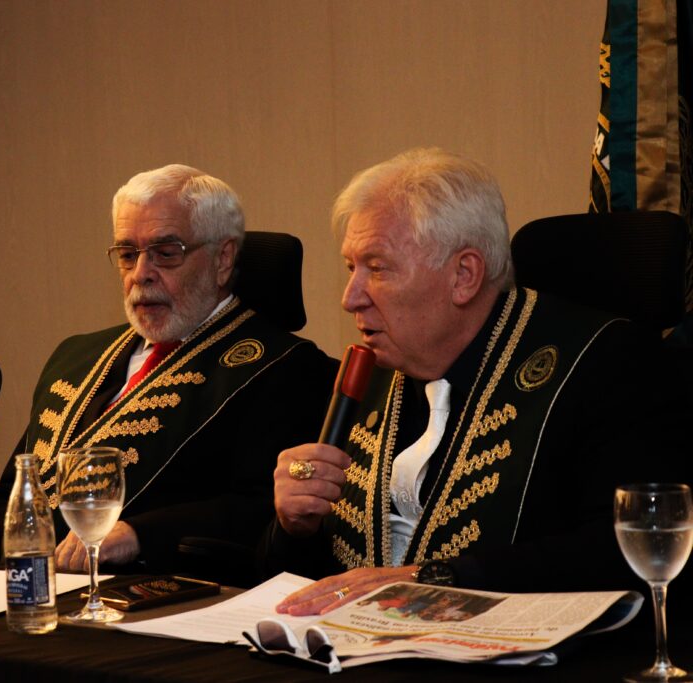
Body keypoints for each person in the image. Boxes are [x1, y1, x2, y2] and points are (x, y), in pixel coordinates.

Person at [264, 148, 675, 615]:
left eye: (376, 268)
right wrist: (293, 526)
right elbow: (319, 578)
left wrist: (435, 579)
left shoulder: (604, 363)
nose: (350, 297)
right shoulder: (373, 371)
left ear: (464, 275)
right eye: (350, 268)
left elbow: (625, 549)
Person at [0, 164, 335, 580]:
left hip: (157, 587)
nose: (140, 274)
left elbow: (263, 508)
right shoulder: (77, 355)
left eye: (166, 253)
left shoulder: (285, 367)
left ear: (223, 260)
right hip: (29, 587)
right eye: (127, 254)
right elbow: (16, 486)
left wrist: (140, 534)